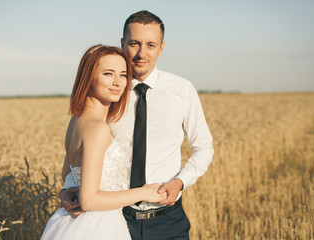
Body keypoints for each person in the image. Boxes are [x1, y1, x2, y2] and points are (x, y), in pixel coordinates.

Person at [61, 10, 214, 240]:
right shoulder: (110, 95)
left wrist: (180, 182)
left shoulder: (182, 90)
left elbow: (204, 147)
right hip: (118, 219)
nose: (142, 53)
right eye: (134, 43)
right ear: (122, 43)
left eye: (150, 45)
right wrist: (66, 191)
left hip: (168, 221)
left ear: (161, 48)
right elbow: (79, 155)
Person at [41, 44, 167, 240]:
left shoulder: (76, 121)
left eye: (124, 75)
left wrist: (65, 194)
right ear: (88, 77)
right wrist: (143, 193)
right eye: (108, 74)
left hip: (71, 223)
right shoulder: (97, 129)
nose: (118, 82)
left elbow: (68, 173)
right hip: (99, 226)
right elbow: (89, 200)